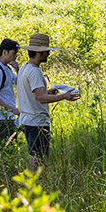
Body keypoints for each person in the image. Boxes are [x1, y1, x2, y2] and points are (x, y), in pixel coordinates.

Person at [15, 32, 81, 167]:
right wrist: (63, 96)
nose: (48, 54)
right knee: (38, 162)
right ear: (39, 52)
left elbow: (34, 93)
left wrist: (49, 92)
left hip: (27, 120)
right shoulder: (35, 72)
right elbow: (41, 98)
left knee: (35, 158)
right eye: (47, 51)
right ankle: (34, 186)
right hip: (37, 122)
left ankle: (34, 185)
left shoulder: (24, 68)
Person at [0, 38, 21, 150]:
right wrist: (13, 109)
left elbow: (19, 83)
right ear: (4, 52)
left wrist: (17, 70)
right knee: (4, 150)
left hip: (7, 116)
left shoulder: (7, 68)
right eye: (14, 53)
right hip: (1, 117)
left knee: (10, 148)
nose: (15, 56)